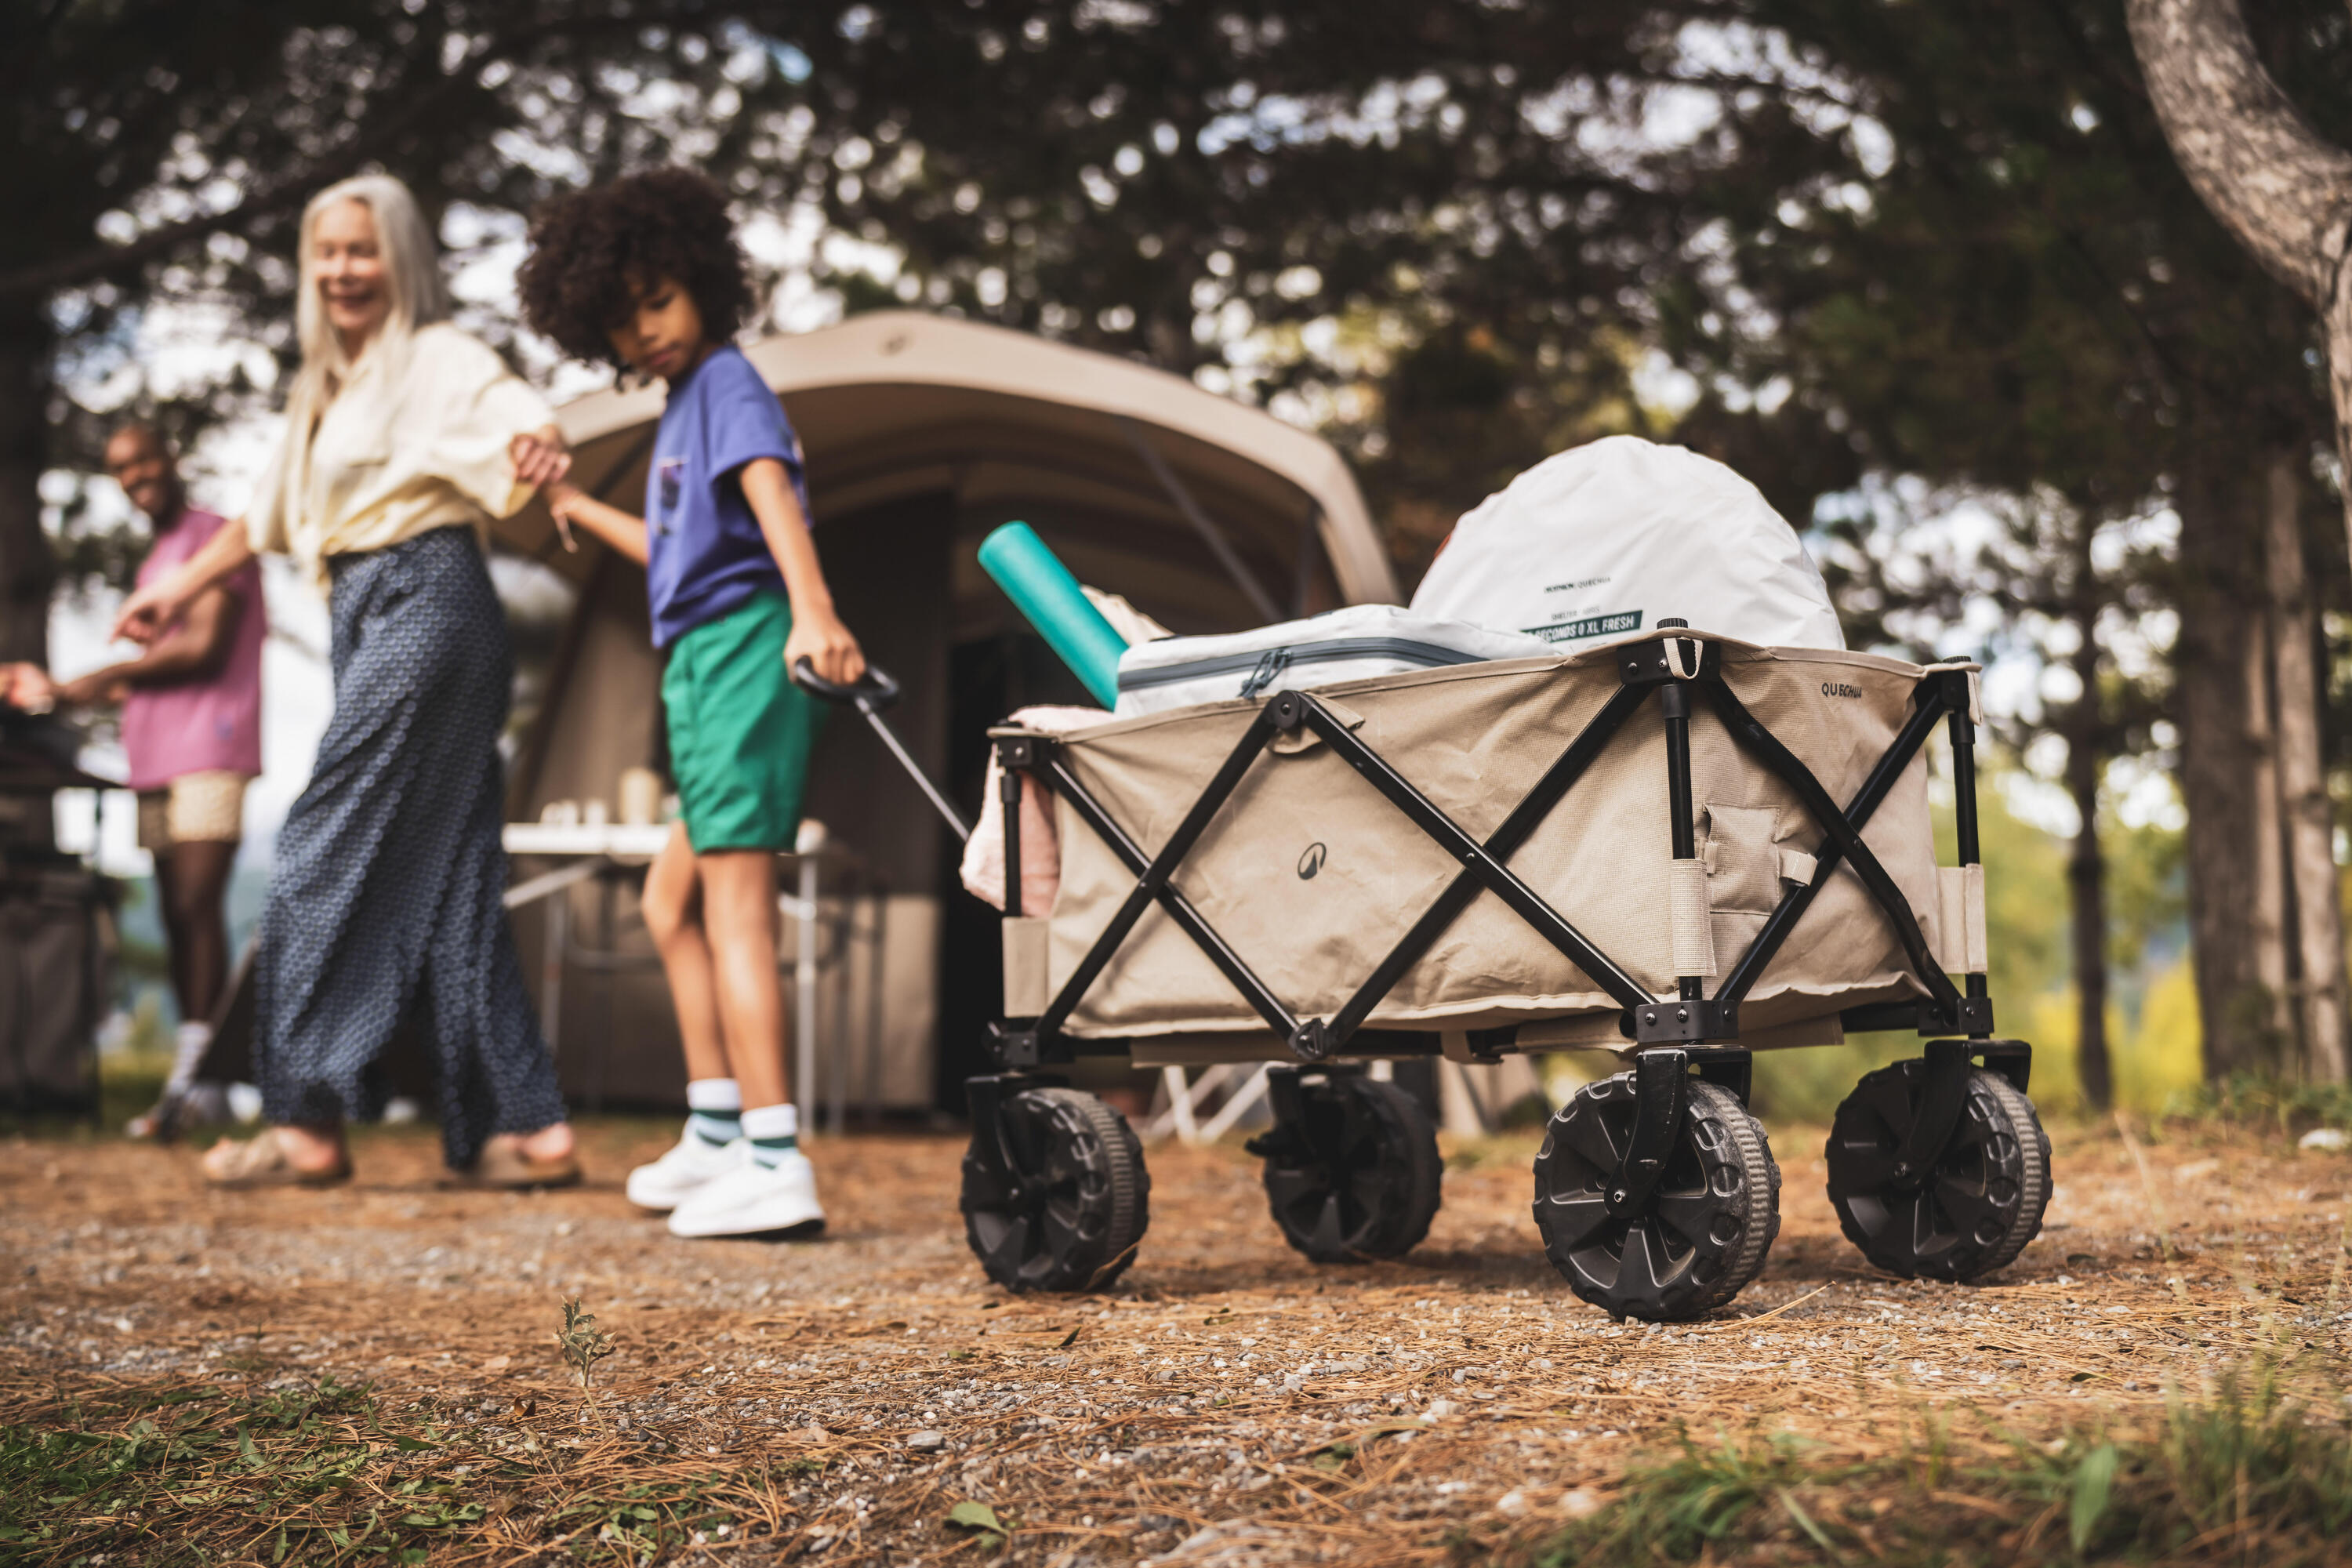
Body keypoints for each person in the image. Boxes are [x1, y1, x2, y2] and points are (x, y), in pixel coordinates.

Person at [111, 174, 579, 1191]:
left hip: (429, 597)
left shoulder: (436, 356)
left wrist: (539, 440)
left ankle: (305, 1118)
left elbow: (513, 411)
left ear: (400, 260)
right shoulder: (322, 389)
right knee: (455, 884)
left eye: (362, 250)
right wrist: (173, 591)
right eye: (326, 253)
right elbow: (259, 519)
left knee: (320, 849)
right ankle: (526, 1129)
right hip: (371, 612)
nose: (342, 270)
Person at [511, 168, 865, 1239]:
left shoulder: (726, 387)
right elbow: (671, 547)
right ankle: (718, 1134)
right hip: (703, 661)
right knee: (669, 905)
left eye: (659, 299)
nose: (646, 331)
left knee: (736, 913)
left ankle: (775, 1155)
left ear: (706, 282)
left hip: (749, 649)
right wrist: (570, 503)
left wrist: (816, 611)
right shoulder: (678, 407)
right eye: (621, 320)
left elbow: (769, 489)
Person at [5, 424, 267, 1137]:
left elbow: (204, 650)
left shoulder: (217, 541)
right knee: (178, 920)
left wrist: (79, 682)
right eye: (119, 468)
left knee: (197, 904)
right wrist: (57, 688)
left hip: (212, 747)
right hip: (150, 757)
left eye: (143, 460)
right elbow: (141, 679)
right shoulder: (156, 561)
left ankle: (204, 1082)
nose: (133, 477)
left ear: (170, 458)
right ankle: (193, 1079)